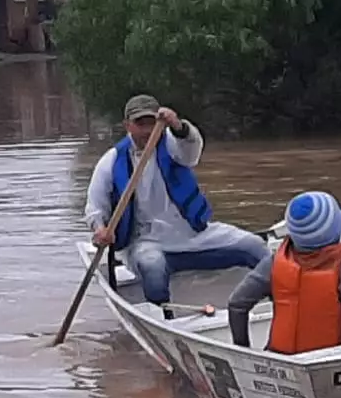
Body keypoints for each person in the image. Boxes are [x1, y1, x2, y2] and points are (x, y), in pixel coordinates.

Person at [85, 94, 269, 319]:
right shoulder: (111, 161)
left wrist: (178, 126)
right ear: (127, 126)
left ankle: (275, 303)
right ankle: (164, 322)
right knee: (152, 266)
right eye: (140, 124)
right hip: (147, 241)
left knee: (256, 246)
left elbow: (192, 151)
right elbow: (95, 207)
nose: (147, 130)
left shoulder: (173, 144)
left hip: (193, 234)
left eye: (152, 123)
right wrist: (100, 229)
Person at [227, 191, 341, 352]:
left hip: (279, 358)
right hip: (328, 361)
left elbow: (237, 304)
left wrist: (242, 348)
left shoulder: (273, 263)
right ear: (335, 229)